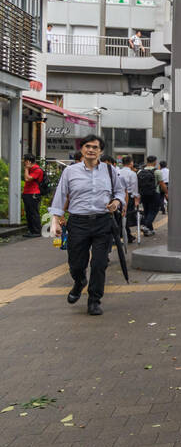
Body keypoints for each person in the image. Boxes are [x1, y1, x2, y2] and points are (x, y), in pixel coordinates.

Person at [49, 134, 125, 316]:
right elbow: (60, 195)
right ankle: (79, 281)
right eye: (87, 146)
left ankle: (94, 300)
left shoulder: (109, 170)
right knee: (76, 264)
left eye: (95, 147)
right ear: (82, 149)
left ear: (100, 151)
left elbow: (120, 192)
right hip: (78, 222)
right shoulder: (70, 171)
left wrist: (116, 202)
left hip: (102, 221)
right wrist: (55, 221)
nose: (91, 150)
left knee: (99, 263)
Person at [116, 155, 141, 244]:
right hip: (128, 197)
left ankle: (127, 235)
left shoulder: (118, 171)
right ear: (131, 163)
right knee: (125, 216)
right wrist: (136, 198)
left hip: (118, 197)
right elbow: (134, 187)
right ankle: (122, 235)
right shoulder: (132, 173)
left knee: (120, 216)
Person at [136, 156, 162, 235]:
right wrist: (167, 192)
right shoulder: (157, 171)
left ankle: (149, 230)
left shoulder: (140, 171)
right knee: (154, 210)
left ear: (147, 161)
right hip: (154, 194)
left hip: (143, 194)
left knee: (147, 211)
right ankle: (145, 225)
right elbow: (162, 184)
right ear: (155, 162)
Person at [21, 155, 44, 237]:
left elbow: (27, 179)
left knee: (34, 213)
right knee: (29, 213)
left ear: (28, 161)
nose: (23, 163)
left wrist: (26, 169)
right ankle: (31, 231)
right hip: (27, 194)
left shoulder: (37, 170)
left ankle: (37, 231)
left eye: (25, 161)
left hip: (33, 194)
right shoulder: (31, 169)